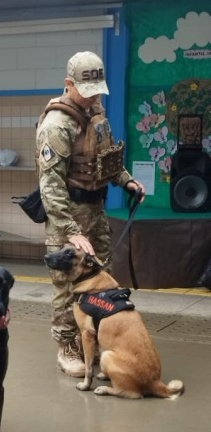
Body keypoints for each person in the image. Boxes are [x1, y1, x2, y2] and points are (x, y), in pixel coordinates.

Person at [36, 51, 145, 378]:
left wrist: (126, 181)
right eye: (88, 89)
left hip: (95, 210)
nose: (94, 96)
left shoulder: (96, 113)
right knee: (68, 285)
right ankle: (67, 346)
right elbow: (50, 184)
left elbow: (107, 159)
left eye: (98, 89)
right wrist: (70, 230)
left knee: (101, 279)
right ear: (69, 84)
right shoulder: (56, 125)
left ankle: (92, 339)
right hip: (67, 214)